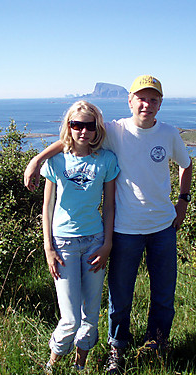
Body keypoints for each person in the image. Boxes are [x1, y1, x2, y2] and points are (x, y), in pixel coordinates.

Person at [25, 75, 193, 374]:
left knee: (164, 294)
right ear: (130, 101)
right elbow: (70, 139)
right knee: (120, 295)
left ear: (160, 103)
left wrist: (183, 201)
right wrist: (36, 160)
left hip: (162, 228)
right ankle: (118, 349)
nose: (147, 104)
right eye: (141, 98)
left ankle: (156, 346)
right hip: (125, 230)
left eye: (153, 99)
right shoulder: (116, 129)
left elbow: (186, 163)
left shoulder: (168, 134)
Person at [40, 100, 120, 372]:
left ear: (97, 128)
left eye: (89, 126)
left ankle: (79, 367)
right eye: (77, 125)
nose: (83, 131)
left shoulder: (106, 160)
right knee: (70, 318)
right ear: (69, 127)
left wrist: (108, 244)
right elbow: (47, 207)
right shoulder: (56, 160)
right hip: (63, 245)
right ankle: (53, 363)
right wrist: (48, 248)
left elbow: (109, 206)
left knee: (91, 316)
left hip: (95, 242)